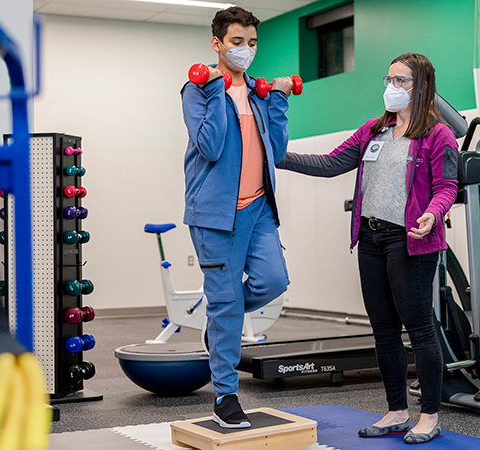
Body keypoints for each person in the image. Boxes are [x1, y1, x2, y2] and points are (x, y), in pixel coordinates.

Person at [277, 53, 457, 444]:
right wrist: (277, 156)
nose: (391, 87)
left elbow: (447, 187)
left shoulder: (437, 135)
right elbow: (328, 163)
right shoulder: (372, 131)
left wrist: (431, 213)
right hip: (371, 238)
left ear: (422, 85)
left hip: (411, 240)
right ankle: (396, 411)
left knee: (420, 330)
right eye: (388, 79)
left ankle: (429, 416)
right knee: (383, 331)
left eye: (401, 81)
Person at [180, 6, 294, 429]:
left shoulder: (261, 94)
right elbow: (209, 146)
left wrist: (278, 98)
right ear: (217, 44)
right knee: (227, 302)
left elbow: (276, 152)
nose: (245, 50)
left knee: (274, 281)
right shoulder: (196, 90)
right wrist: (216, 91)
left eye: (251, 43)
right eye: (236, 42)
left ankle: (220, 323)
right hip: (214, 215)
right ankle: (225, 397)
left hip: (259, 207)